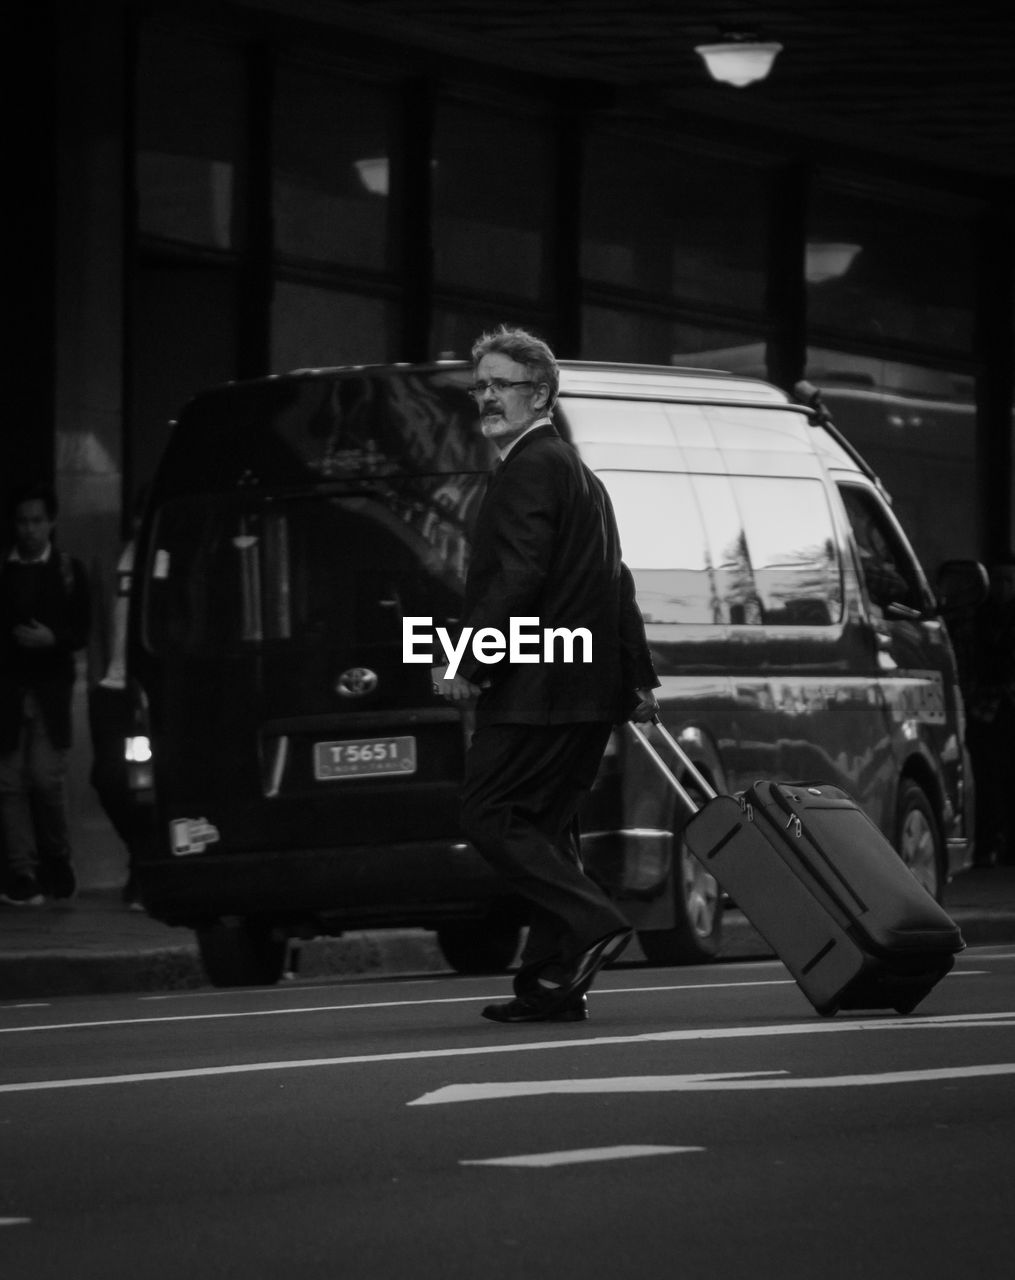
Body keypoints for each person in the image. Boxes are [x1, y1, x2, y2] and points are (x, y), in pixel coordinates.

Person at [432, 326, 659, 1024]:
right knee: (546, 829)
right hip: (583, 687)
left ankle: (593, 922)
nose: (486, 398)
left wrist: (469, 660)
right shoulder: (575, 471)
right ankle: (553, 985)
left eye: (501, 385)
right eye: (481, 386)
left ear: (541, 393)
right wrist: (637, 678)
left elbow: (519, 575)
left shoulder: (532, 466)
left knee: (491, 814)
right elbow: (614, 581)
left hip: (541, 688)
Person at [0, 482, 91, 905]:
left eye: (37, 521)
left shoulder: (68, 570)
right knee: (10, 782)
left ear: (51, 522)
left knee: (43, 779)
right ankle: (23, 870)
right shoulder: (6, 569)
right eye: (23, 522)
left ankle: (55, 858)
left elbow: (81, 631)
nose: (30, 530)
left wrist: (52, 639)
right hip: (11, 690)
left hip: (50, 689)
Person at [966, 553, 1015, 866]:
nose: (1002, 587)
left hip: (1006, 705)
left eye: (1009, 581)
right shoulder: (978, 617)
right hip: (985, 708)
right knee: (987, 778)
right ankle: (988, 843)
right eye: (997, 580)